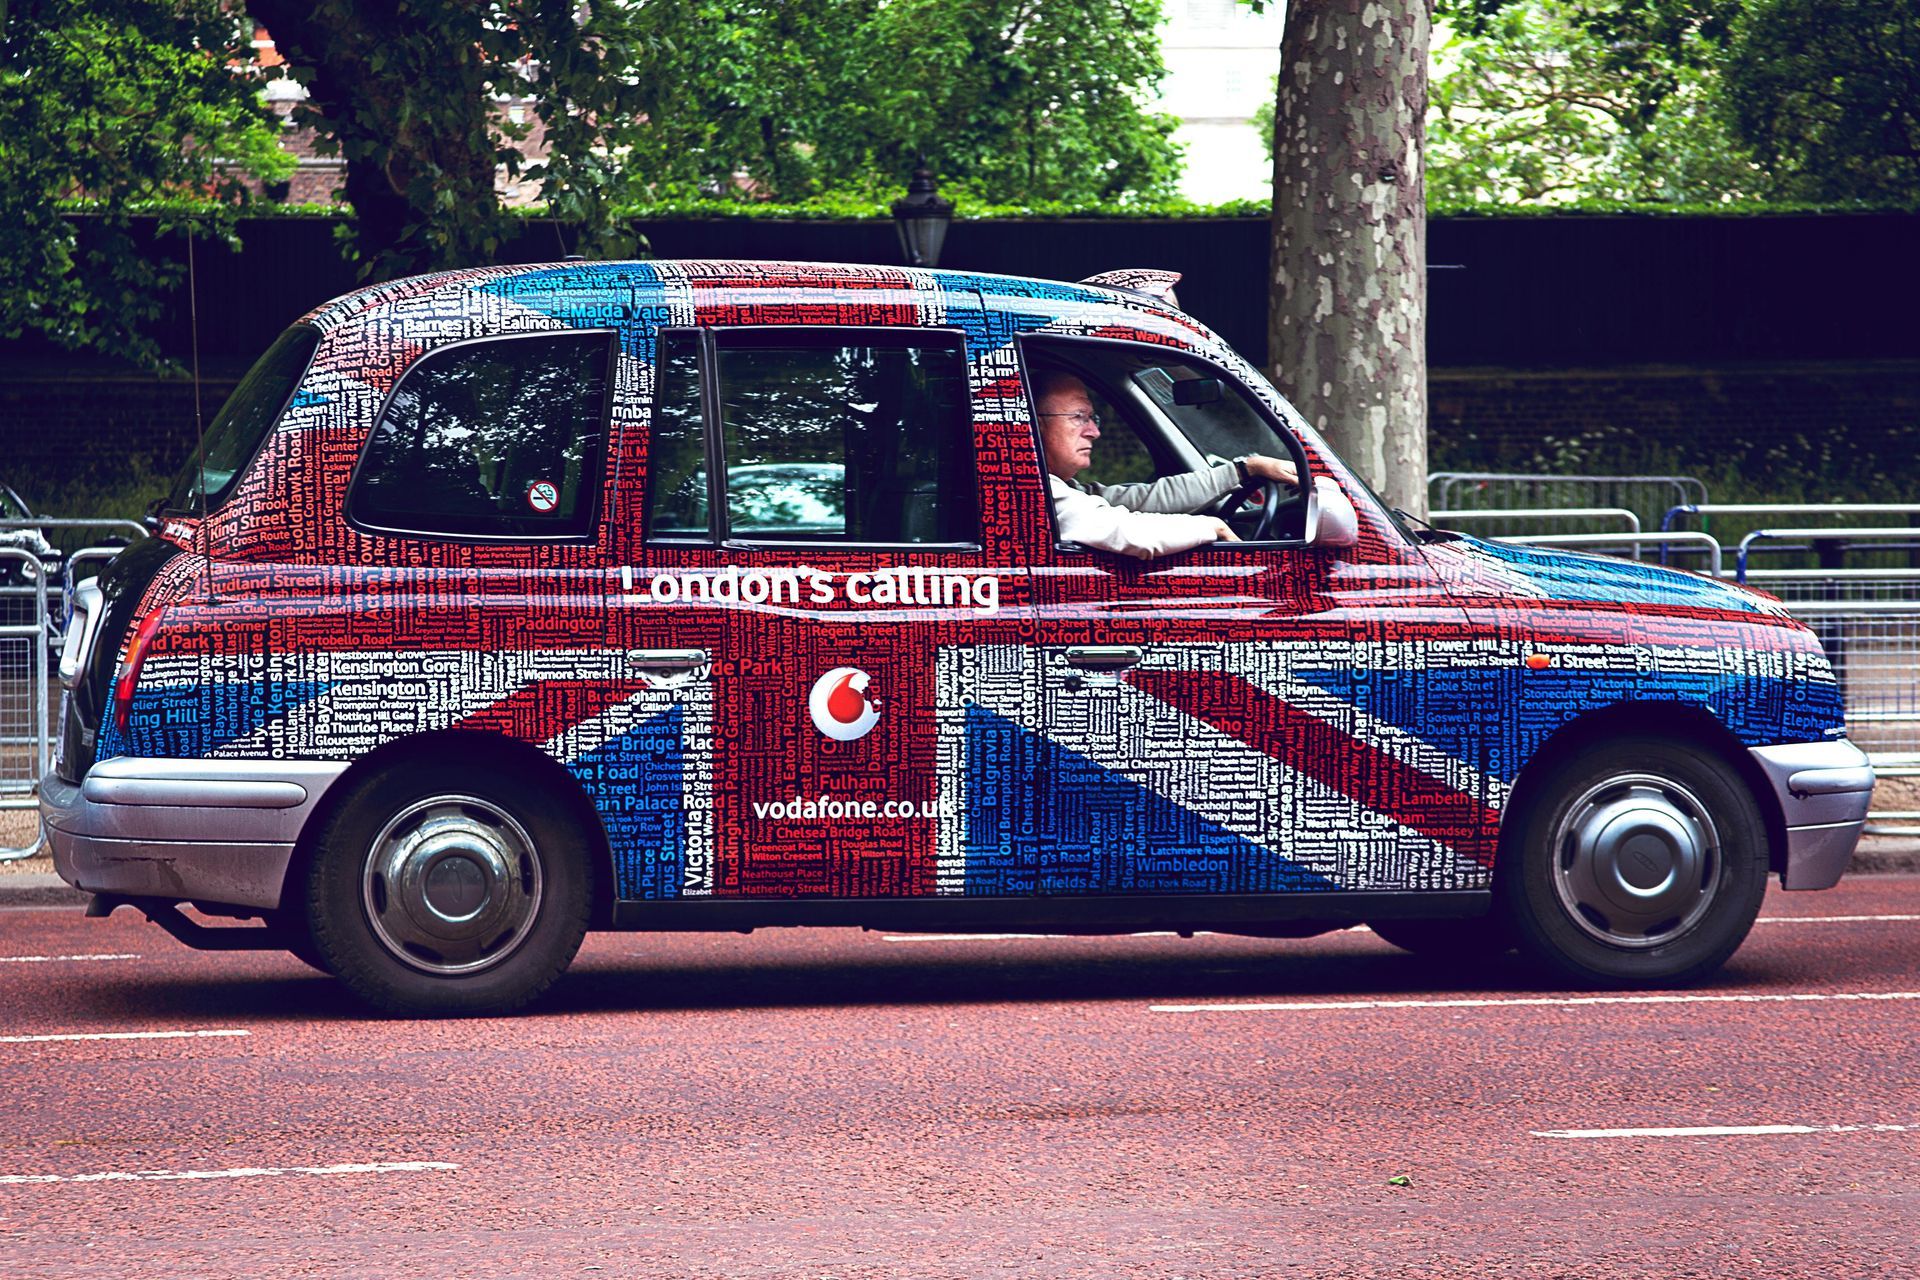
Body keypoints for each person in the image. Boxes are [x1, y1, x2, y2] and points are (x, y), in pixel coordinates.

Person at [1034, 369, 1298, 559]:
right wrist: (1210, 527)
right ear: (1033, 424)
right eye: (1079, 417)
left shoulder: (1063, 489)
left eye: (1093, 419)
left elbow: (1138, 500)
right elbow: (1123, 530)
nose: (1094, 431)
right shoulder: (1032, 491)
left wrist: (1244, 469)